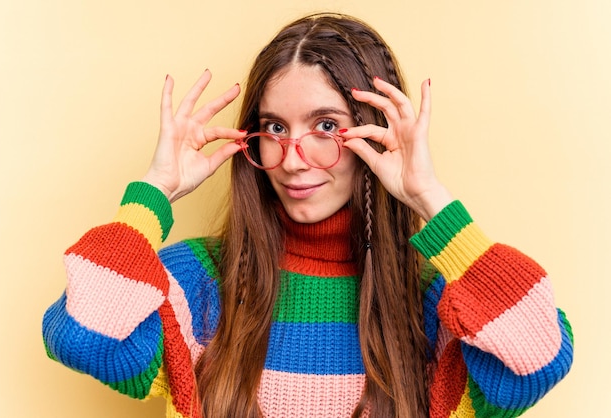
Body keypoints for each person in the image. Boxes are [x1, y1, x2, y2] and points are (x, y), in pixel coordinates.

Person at [42, 12, 574, 418]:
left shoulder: (439, 304)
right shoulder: (198, 283)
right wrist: (154, 192)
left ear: (375, 134)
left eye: (325, 127)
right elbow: (81, 337)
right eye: (274, 127)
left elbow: (541, 357)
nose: (292, 160)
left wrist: (429, 196)